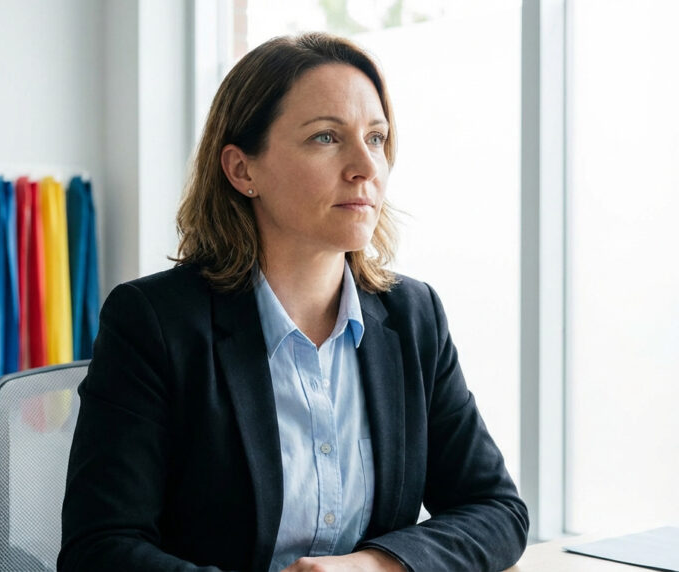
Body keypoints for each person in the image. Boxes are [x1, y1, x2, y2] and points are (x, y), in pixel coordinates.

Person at [59, 32, 528, 572]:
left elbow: (495, 509)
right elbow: (100, 549)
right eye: (327, 138)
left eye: (375, 138)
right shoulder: (153, 322)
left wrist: (376, 565)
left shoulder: (413, 315)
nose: (365, 167)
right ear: (242, 170)